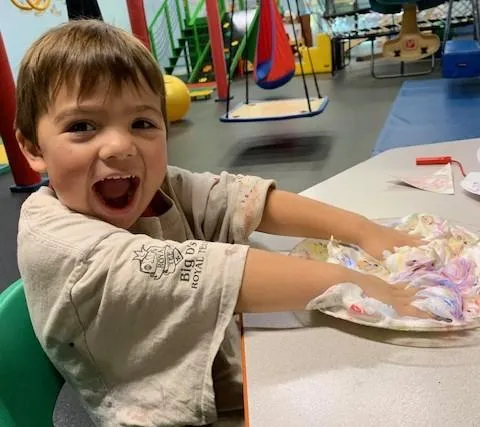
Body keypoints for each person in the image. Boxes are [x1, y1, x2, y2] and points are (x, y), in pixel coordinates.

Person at [16, 20, 424, 426]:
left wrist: (365, 230)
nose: (121, 145)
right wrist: (362, 284)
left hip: (230, 369)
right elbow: (201, 273)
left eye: (141, 123)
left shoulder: (159, 187)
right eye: (82, 127)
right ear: (34, 148)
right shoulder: (61, 243)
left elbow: (236, 198)